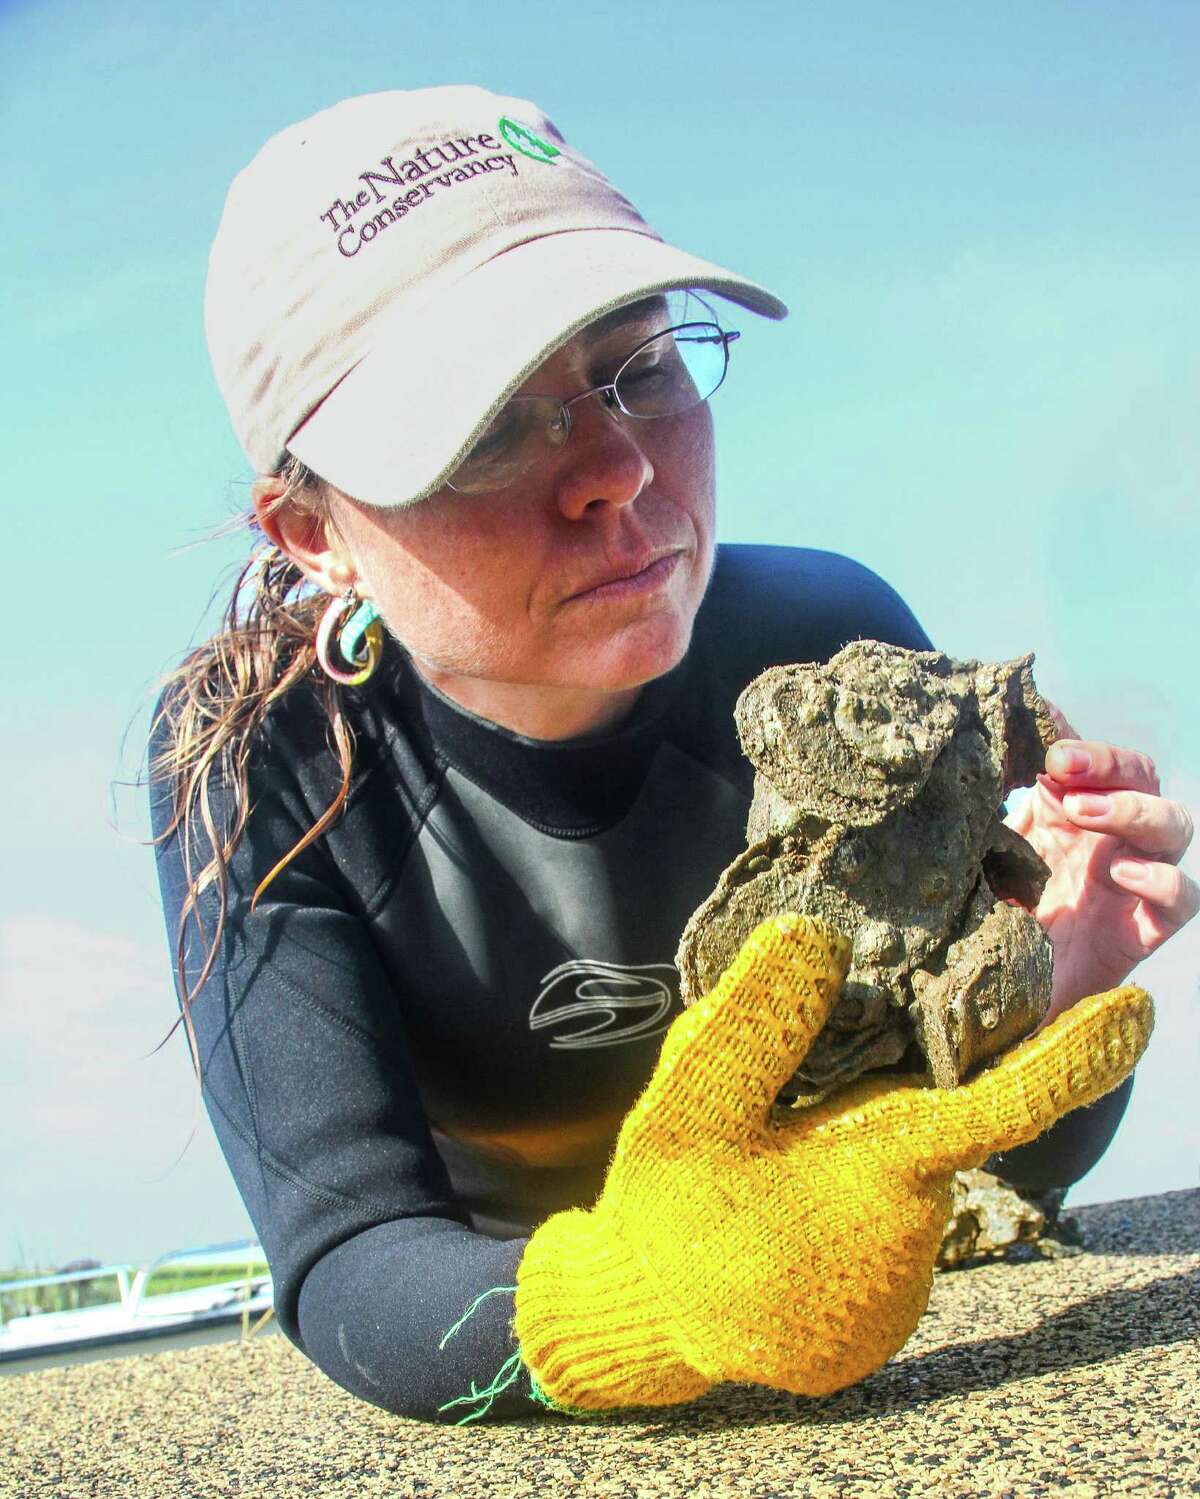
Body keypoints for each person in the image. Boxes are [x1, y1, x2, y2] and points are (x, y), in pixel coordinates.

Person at [150, 86, 1196, 1423]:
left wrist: (1029, 996)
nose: (617, 471)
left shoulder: (831, 654)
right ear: (313, 533)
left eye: (640, 368)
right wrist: (639, 1301)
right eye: (481, 428)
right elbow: (354, 1261)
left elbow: (990, 1157)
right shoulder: (265, 765)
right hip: (511, 1284)